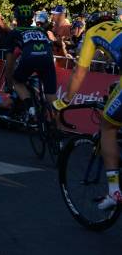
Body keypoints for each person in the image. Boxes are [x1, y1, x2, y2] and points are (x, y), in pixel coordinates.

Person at [54, 12, 122, 210]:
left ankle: (114, 191)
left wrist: (66, 100)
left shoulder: (92, 32)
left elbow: (79, 72)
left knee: (107, 127)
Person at [5, 5, 57, 123]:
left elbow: (10, 61)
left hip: (30, 58)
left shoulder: (14, 32)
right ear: (31, 19)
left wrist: (9, 81)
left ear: (17, 19)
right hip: (47, 58)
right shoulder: (41, 30)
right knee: (51, 94)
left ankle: (30, 107)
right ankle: (58, 125)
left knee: (17, 81)